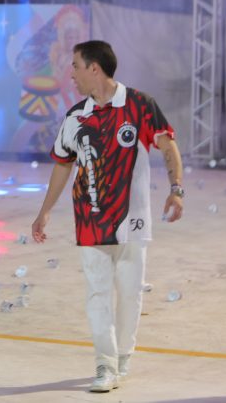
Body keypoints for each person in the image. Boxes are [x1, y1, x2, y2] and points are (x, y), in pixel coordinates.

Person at [31, 40, 184, 393]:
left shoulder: (140, 105)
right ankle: (105, 364)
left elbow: (168, 144)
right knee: (97, 294)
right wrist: (44, 212)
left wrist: (177, 189)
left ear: (94, 68)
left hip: (133, 221)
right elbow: (62, 165)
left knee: (130, 294)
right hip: (89, 220)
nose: (71, 73)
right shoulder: (75, 116)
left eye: (75, 66)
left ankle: (124, 357)